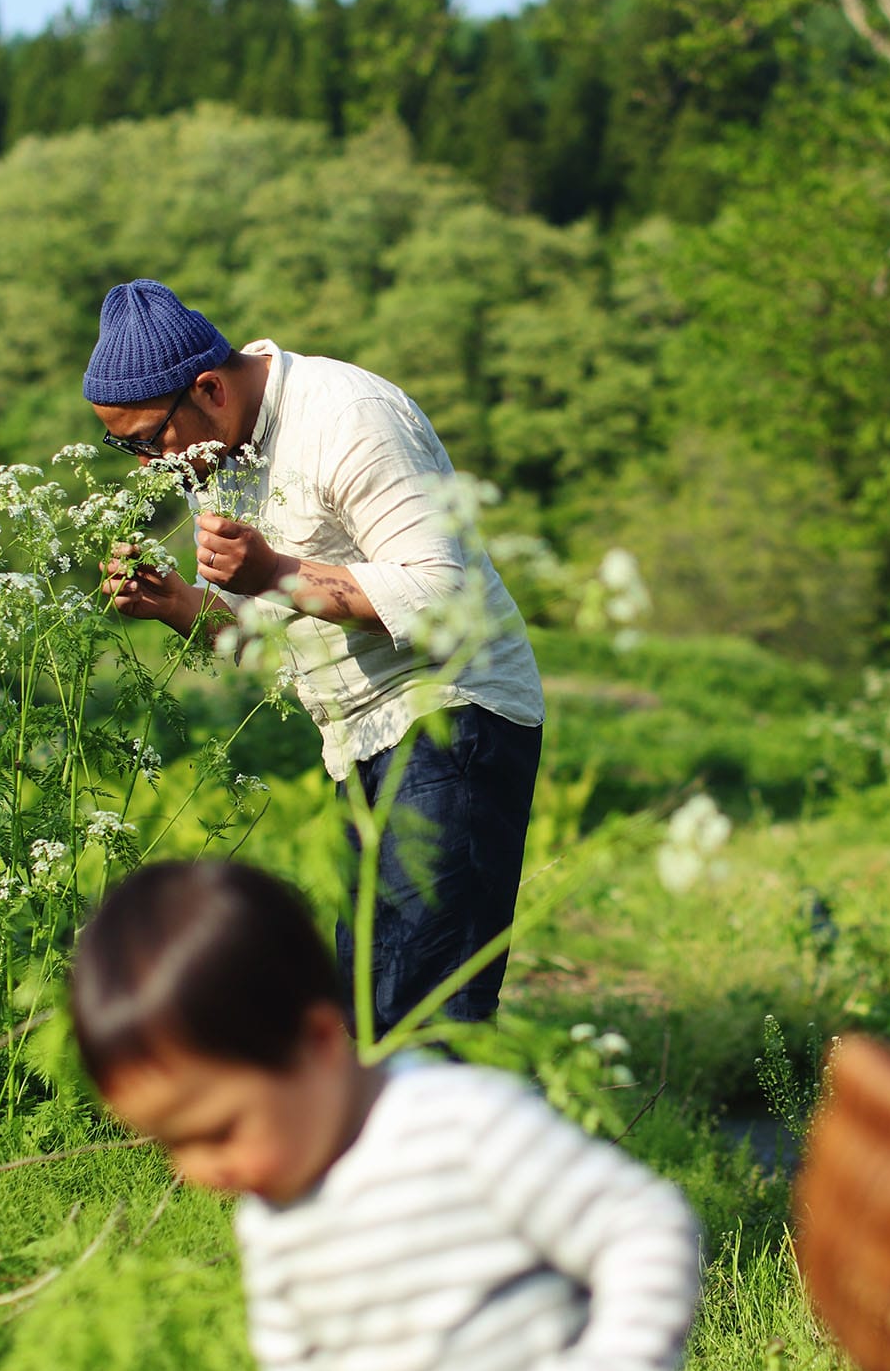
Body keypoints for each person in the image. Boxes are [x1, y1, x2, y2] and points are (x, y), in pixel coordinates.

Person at [82, 279, 547, 1036]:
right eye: (123, 446)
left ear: (208, 389)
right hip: (358, 739)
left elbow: (438, 598)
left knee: (422, 1012)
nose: (143, 464)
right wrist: (172, 604)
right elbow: (253, 635)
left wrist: (272, 572)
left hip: (453, 711)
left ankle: (455, 1148)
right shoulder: (216, 455)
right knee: (369, 996)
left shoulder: (348, 418)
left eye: (146, 439)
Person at [70, 859, 702, 1371]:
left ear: (318, 1040)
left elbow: (644, 1226)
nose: (198, 1170)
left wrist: (613, 1369)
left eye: (218, 1131)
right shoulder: (272, 1221)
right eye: (172, 1145)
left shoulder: (459, 1122)